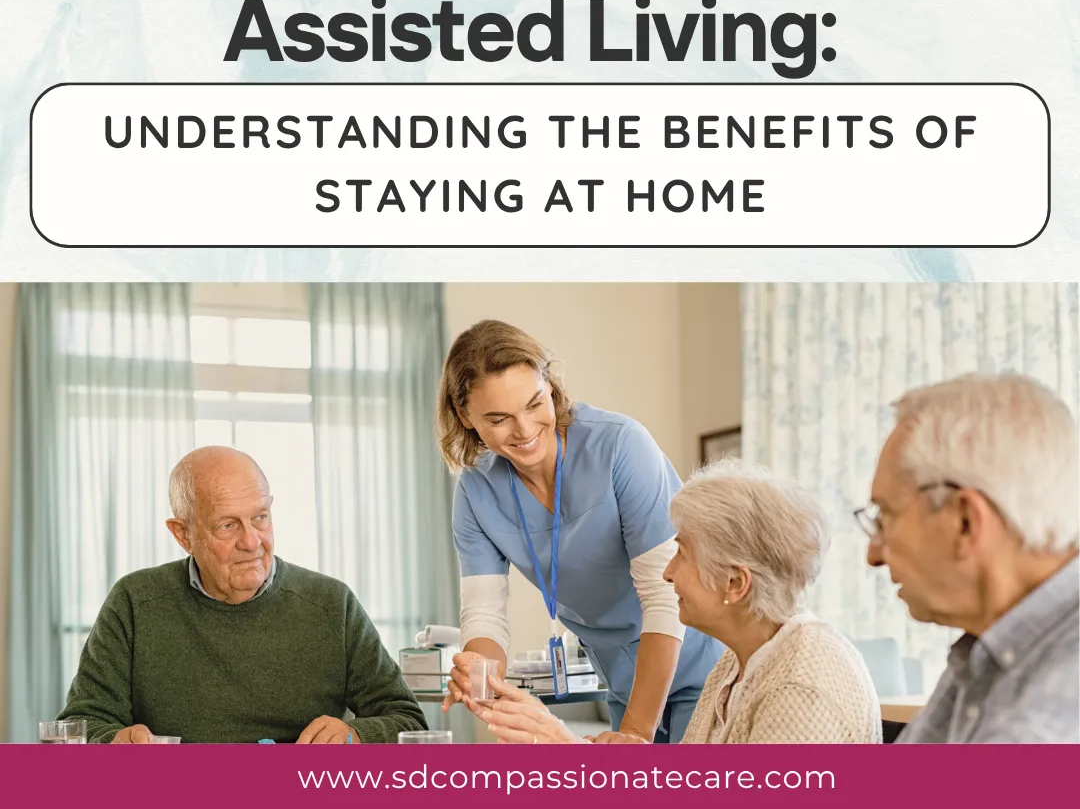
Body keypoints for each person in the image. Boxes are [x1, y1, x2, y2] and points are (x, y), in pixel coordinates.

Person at [437, 320, 720, 744]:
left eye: (535, 403)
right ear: (465, 416)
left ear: (550, 384)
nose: (525, 430)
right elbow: (484, 616)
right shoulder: (476, 491)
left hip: (700, 664)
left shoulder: (620, 447)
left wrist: (635, 735)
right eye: (499, 418)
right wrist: (478, 671)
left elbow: (664, 596)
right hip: (624, 681)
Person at [477, 461, 880, 744]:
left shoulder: (800, 683)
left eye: (682, 553)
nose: (667, 572)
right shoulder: (737, 663)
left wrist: (564, 747)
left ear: (735, 582)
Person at [57, 446, 426, 744]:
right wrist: (115, 741)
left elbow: (410, 724)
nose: (251, 542)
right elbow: (80, 725)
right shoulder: (134, 602)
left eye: (260, 518)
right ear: (182, 535)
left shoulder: (332, 604)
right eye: (227, 525)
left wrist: (356, 735)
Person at [859, 372, 1079, 743]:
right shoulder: (990, 645)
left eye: (885, 517)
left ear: (964, 521)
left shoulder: (1056, 708)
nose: (873, 554)